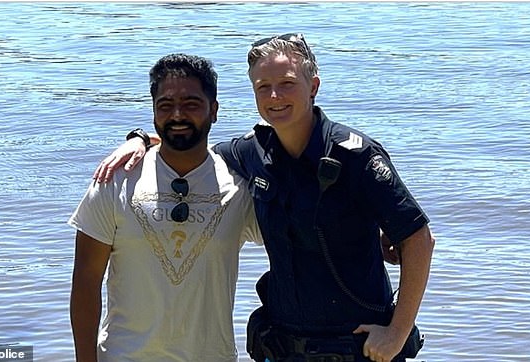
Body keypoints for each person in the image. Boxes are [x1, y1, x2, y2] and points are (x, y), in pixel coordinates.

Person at [95, 33, 434, 362]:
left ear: (313, 86)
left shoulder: (355, 156)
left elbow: (419, 239)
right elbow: (191, 148)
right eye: (263, 87)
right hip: (283, 344)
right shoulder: (251, 151)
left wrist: (396, 334)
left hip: (356, 346)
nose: (274, 96)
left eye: (287, 83)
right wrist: (140, 139)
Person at [69, 53, 262, 362]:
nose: (177, 115)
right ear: (153, 112)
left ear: (214, 110)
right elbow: (85, 281)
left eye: (191, 104)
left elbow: (297, 249)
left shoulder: (239, 187)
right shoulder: (115, 179)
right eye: (166, 105)